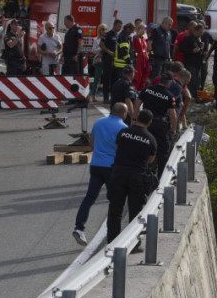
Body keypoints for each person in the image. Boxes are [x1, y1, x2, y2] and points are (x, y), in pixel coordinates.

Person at [72, 103, 129, 245]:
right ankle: (112, 233)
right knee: (115, 201)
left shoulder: (99, 122)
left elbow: (92, 142)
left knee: (89, 198)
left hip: (96, 164)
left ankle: (79, 227)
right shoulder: (123, 128)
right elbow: (122, 149)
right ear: (124, 113)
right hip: (111, 167)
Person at [107, 108, 157, 242]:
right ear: (150, 122)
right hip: (137, 177)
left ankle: (112, 241)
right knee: (135, 212)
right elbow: (150, 160)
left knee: (115, 210)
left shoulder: (123, 133)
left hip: (119, 174)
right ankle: (133, 243)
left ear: (137, 118)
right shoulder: (151, 139)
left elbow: (117, 148)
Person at [136, 71, 178, 178]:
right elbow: (173, 115)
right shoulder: (169, 96)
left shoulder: (147, 89)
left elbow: (137, 105)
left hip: (145, 123)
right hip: (160, 126)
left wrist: (134, 119)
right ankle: (160, 178)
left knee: (143, 148)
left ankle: (143, 173)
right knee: (162, 153)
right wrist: (173, 129)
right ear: (169, 82)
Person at [100, 19, 122, 104]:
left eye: (121, 27)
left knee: (115, 79)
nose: (120, 28)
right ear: (114, 25)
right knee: (107, 79)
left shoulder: (117, 36)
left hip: (116, 61)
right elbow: (101, 44)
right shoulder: (107, 34)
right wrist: (109, 52)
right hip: (108, 59)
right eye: (118, 26)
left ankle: (113, 97)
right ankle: (106, 97)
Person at [179, 23, 205, 96]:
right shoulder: (188, 38)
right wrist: (192, 51)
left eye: (202, 33)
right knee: (191, 81)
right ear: (195, 31)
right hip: (190, 63)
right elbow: (181, 49)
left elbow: (199, 51)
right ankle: (188, 95)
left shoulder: (198, 39)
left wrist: (201, 49)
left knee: (197, 81)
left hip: (197, 64)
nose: (201, 34)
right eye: (200, 32)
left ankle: (193, 94)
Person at [89, 23, 109, 101]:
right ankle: (93, 95)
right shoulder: (96, 39)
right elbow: (93, 50)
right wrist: (101, 48)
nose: (104, 31)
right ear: (99, 30)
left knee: (107, 78)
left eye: (105, 29)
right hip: (100, 59)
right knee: (97, 78)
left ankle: (106, 96)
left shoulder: (108, 38)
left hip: (107, 59)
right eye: (102, 29)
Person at [132, 23, 151, 90]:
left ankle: (141, 89)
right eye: (143, 29)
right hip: (139, 58)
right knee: (138, 75)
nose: (144, 31)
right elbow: (137, 35)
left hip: (145, 58)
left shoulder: (143, 39)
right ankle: (136, 89)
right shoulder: (135, 37)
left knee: (145, 74)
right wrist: (145, 28)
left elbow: (146, 49)